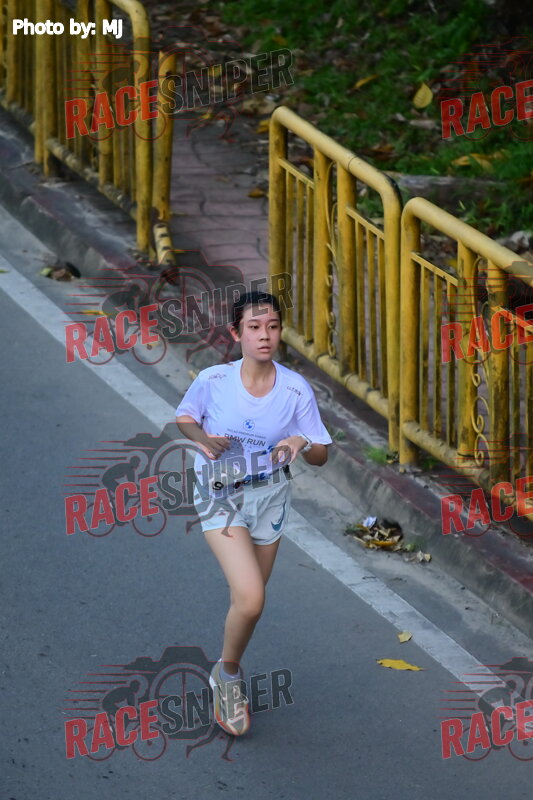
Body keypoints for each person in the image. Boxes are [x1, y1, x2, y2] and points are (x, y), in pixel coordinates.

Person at [175, 291, 332, 736]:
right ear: (236, 333)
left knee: (249, 603)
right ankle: (227, 678)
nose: (265, 336)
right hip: (220, 493)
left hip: (269, 498)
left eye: (273, 327)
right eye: (254, 327)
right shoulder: (214, 380)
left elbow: (321, 455)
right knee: (251, 598)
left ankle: (227, 665)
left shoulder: (295, 390)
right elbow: (185, 416)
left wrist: (300, 442)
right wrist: (203, 439)